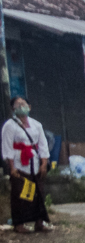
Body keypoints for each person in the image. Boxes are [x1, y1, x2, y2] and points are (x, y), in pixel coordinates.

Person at [2, 96, 53, 233]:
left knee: (38, 193)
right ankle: (19, 224)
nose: (21, 106)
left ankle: (39, 222)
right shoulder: (9, 126)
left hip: (35, 163)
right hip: (19, 165)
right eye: (18, 104)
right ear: (13, 108)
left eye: (23, 104)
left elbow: (43, 145)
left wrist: (44, 163)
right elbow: (7, 148)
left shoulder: (37, 125)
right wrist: (11, 167)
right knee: (21, 194)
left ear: (29, 107)